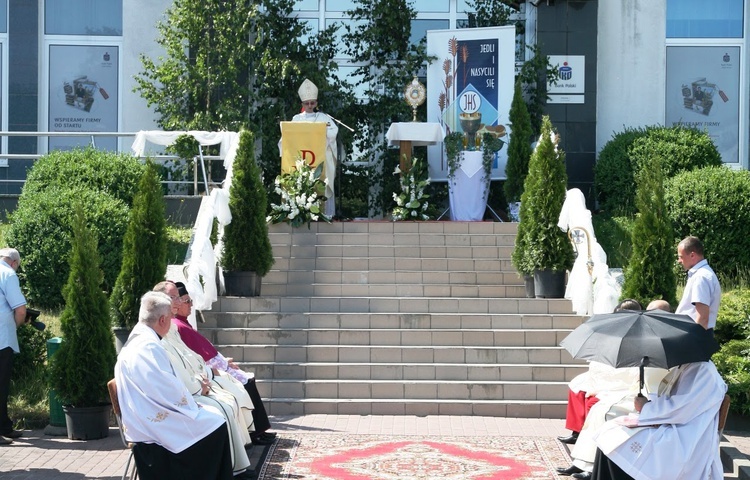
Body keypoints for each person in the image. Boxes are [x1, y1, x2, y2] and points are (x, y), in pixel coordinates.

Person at [114, 291, 233, 480]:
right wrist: (192, 405)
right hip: (149, 423)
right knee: (216, 424)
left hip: (143, 412)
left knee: (213, 418)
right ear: (162, 320)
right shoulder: (148, 347)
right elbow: (166, 389)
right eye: (170, 317)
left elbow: (162, 387)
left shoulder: (139, 339)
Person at [159, 281, 276, 446]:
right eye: (178, 299)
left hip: (202, 377)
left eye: (181, 299)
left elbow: (192, 356)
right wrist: (209, 376)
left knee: (236, 393)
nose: (187, 304)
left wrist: (217, 368)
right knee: (229, 402)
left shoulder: (172, 328)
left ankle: (252, 436)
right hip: (195, 387)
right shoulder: (167, 333)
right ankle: (248, 440)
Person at [591, 360, 727, 480]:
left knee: (614, 440)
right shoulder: (689, 366)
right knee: (610, 434)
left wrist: (646, 407)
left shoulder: (703, 370)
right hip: (675, 428)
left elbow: (680, 409)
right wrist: (649, 405)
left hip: (685, 439)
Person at [292, 78, 339, 218]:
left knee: (323, 182)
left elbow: (333, 133)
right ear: (302, 104)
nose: (310, 105)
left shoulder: (324, 118)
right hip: (303, 159)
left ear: (316, 103)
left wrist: (322, 131)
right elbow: (288, 138)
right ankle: (302, 213)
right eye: (307, 103)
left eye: (312, 103)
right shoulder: (296, 119)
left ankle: (325, 214)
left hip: (321, 159)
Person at [0, 248, 26, 444]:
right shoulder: (8, 274)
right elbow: (20, 310)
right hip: (2, 338)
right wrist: (14, 327)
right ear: (14, 262)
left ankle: (5, 426)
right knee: (2, 385)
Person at [675, 236, 721, 330]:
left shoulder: (701, 277)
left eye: (681, 257)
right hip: (696, 334)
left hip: (694, 335)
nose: (679, 261)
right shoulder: (702, 274)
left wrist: (694, 342)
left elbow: (703, 318)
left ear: (692, 255)